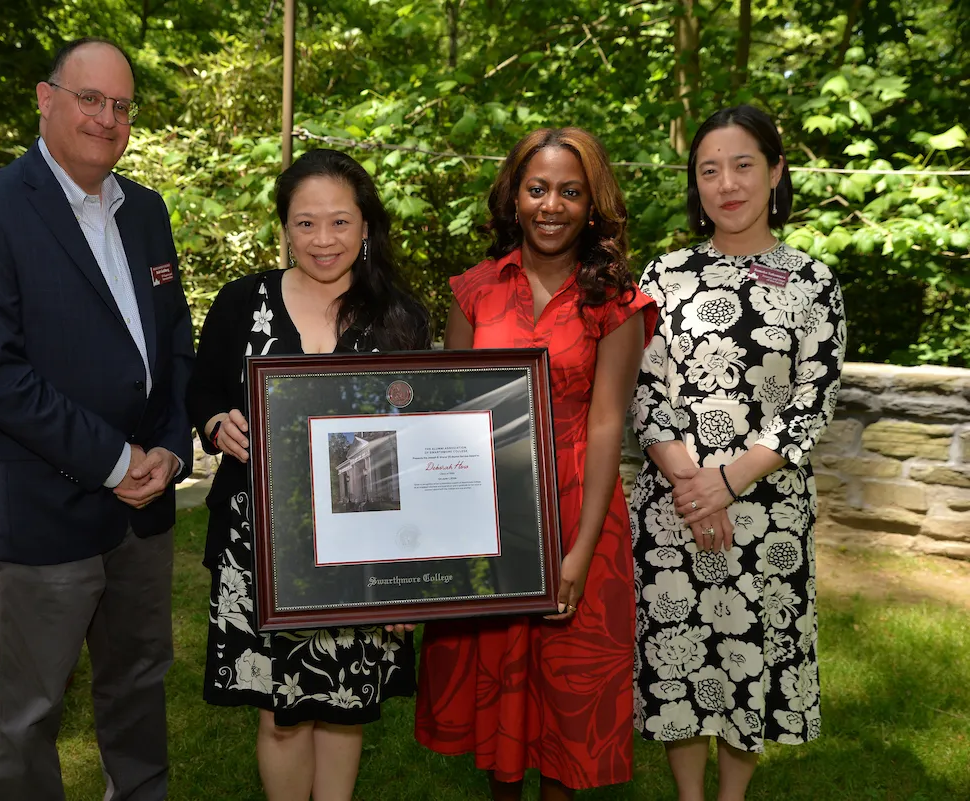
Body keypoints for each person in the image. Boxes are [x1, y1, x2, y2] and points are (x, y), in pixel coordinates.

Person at [0, 37, 194, 801]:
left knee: (140, 686)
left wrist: (169, 449)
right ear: (47, 100)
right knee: (31, 714)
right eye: (90, 99)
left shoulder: (145, 210)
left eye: (122, 106)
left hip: (145, 508)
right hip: (42, 510)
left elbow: (174, 344)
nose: (107, 118)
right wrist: (120, 461)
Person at [414, 128, 656, 800]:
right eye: (539, 188)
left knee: (567, 706)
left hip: (584, 508)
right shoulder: (475, 292)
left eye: (571, 191)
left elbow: (610, 420)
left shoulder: (618, 302)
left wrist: (578, 552)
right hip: (488, 508)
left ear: (592, 203)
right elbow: (451, 418)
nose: (553, 205)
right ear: (514, 195)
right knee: (500, 700)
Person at [186, 148, 430, 801]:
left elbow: (420, 449)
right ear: (285, 226)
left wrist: (409, 577)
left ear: (367, 226)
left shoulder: (402, 318)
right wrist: (215, 422)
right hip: (259, 543)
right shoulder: (242, 302)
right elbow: (201, 388)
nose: (323, 240)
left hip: (366, 548)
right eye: (305, 223)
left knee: (345, 703)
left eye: (340, 222)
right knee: (281, 712)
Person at [629, 104, 846, 801]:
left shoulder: (812, 282)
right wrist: (693, 487)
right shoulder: (664, 276)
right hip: (674, 506)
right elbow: (643, 391)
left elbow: (812, 401)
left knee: (749, 654)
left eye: (743, 164)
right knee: (681, 659)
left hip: (766, 509)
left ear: (776, 171)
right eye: (710, 169)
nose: (727, 183)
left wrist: (728, 482)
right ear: (695, 184)